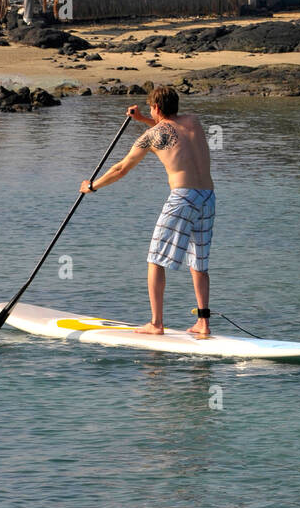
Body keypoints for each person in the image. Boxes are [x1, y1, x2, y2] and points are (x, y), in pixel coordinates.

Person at [79, 86, 215, 337]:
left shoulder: (151, 136)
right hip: (208, 196)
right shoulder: (193, 121)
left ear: (156, 108)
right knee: (199, 262)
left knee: (155, 259)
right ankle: (203, 323)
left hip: (182, 198)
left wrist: (92, 186)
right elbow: (170, 127)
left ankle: (156, 323)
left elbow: (121, 169)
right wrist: (142, 119)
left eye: (150, 108)